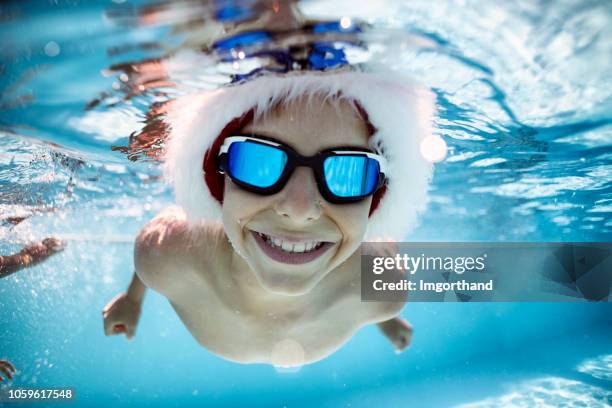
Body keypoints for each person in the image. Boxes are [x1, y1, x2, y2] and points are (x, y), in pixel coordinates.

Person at [103, 71, 434, 366]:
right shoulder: (166, 253)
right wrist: (132, 299)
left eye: (349, 173)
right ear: (218, 184)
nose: (299, 209)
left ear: (376, 200)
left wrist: (384, 317)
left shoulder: (386, 287)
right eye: (258, 163)